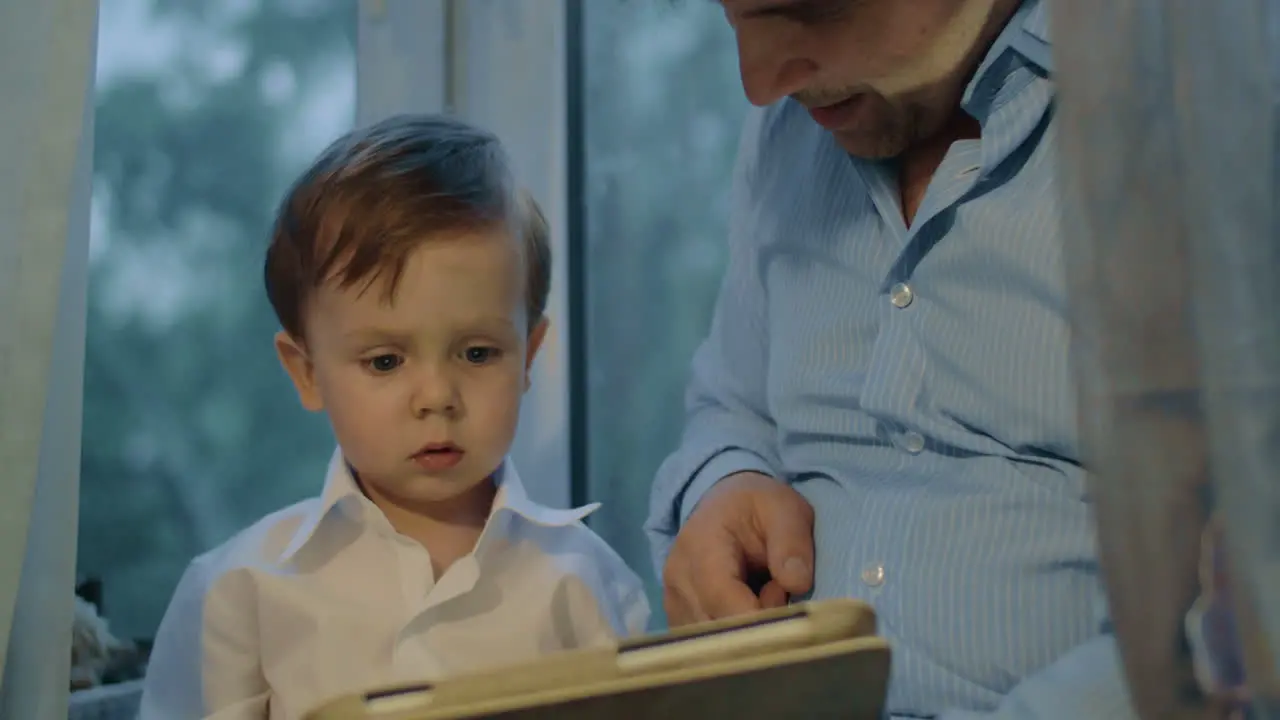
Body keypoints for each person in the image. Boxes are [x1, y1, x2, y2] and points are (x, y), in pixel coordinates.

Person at [647, 0, 1137, 717]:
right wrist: (725, 482)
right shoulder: (789, 128)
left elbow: (1241, 595)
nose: (759, 82)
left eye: (808, 11)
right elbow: (733, 404)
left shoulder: (1196, 114)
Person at [140, 114, 650, 720]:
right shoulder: (239, 591)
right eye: (385, 361)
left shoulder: (586, 581)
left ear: (528, 357)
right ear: (306, 372)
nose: (436, 396)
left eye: (478, 353)